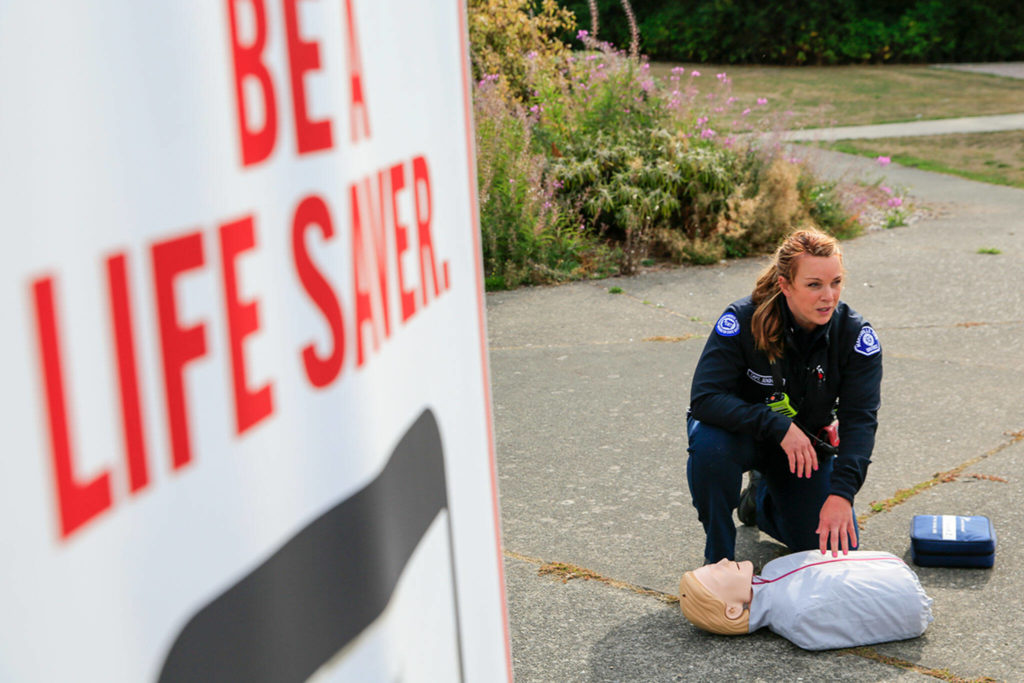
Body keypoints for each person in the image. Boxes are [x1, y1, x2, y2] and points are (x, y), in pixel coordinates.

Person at [686, 228, 882, 563]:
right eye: (813, 284)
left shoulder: (854, 335)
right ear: (785, 285)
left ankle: (762, 502)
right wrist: (777, 426)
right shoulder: (742, 320)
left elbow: (860, 421)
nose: (828, 296)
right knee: (710, 449)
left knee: (836, 552)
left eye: (835, 282)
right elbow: (705, 398)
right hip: (738, 436)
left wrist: (842, 494)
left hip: (802, 450)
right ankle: (718, 558)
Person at [677, 550, 934, 650]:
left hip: (891, 569)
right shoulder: (800, 617)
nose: (723, 561)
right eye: (716, 573)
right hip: (904, 591)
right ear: (733, 610)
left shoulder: (775, 568)